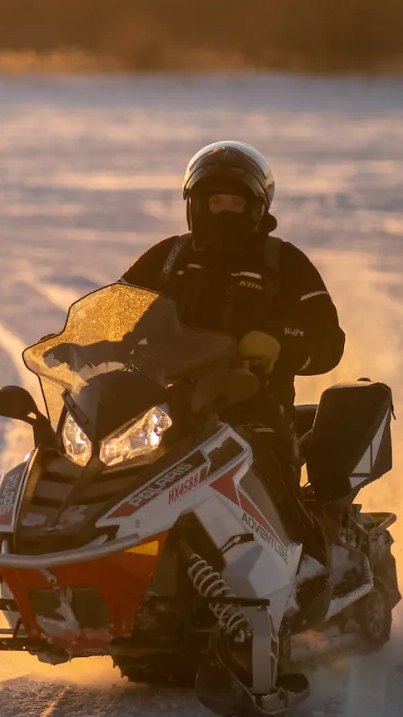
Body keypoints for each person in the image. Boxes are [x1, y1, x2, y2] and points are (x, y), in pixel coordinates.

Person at [120, 140, 355, 588]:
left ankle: (309, 565)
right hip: (166, 410)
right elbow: (119, 314)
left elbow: (328, 341)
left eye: (234, 202)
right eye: (214, 201)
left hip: (254, 412)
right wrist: (86, 350)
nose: (223, 211)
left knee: (263, 468)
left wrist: (278, 342)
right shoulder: (167, 259)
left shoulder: (284, 263)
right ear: (193, 204)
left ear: (256, 206)